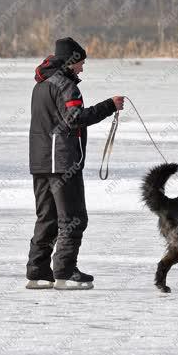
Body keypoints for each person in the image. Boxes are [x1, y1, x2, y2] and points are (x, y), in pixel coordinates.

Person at [26, 37, 124, 290]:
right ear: (71, 61)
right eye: (81, 62)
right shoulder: (66, 86)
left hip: (40, 162)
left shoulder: (41, 85)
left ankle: (38, 272)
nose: (82, 68)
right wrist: (109, 106)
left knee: (47, 218)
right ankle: (65, 272)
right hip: (62, 163)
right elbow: (76, 118)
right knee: (73, 218)